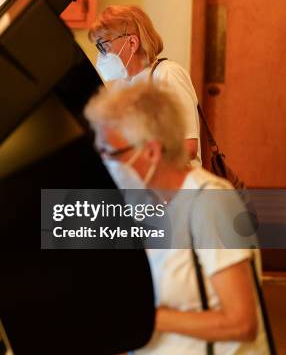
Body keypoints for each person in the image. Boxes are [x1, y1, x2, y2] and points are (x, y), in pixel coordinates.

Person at [84, 82, 268, 354]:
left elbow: (241, 323)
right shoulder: (142, 203)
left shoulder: (210, 203)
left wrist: (146, 317)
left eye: (110, 153)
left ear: (151, 151)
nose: (104, 163)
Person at [88, 5, 202, 167]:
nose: (100, 56)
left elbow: (188, 146)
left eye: (103, 46)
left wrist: (132, 158)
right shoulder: (121, 86)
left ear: (132, 43)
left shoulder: (167, 75)